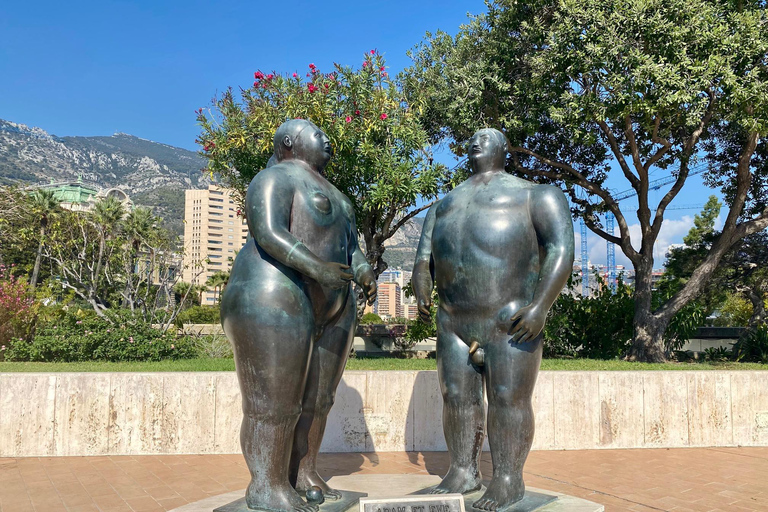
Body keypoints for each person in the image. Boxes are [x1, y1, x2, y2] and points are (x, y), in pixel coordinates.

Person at [412, 128, 573, 511]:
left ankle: (507, 478)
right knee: (457, 399)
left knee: (508, 400)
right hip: (453, 320)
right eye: (472, 137)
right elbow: (423, 259)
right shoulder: (443, 205)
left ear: (503, 149)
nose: (475, 141)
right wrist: (421, 284)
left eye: (486, 138)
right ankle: (463, 469)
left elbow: (561, 249)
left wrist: (540, 306)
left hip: (510, 320)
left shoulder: (537, 195)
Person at [221, 119, 377, 512]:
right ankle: (267, 484)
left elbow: (350, 247)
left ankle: (304, 472)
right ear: (289, 142)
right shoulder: (274, 178)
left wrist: (361, 270)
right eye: (315, 132)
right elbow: (268, 231)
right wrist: (317, 268)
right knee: (274, 402)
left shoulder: (339, 196)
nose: (327, 138)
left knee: (319, 398)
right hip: (274, 293)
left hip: (334, 304)